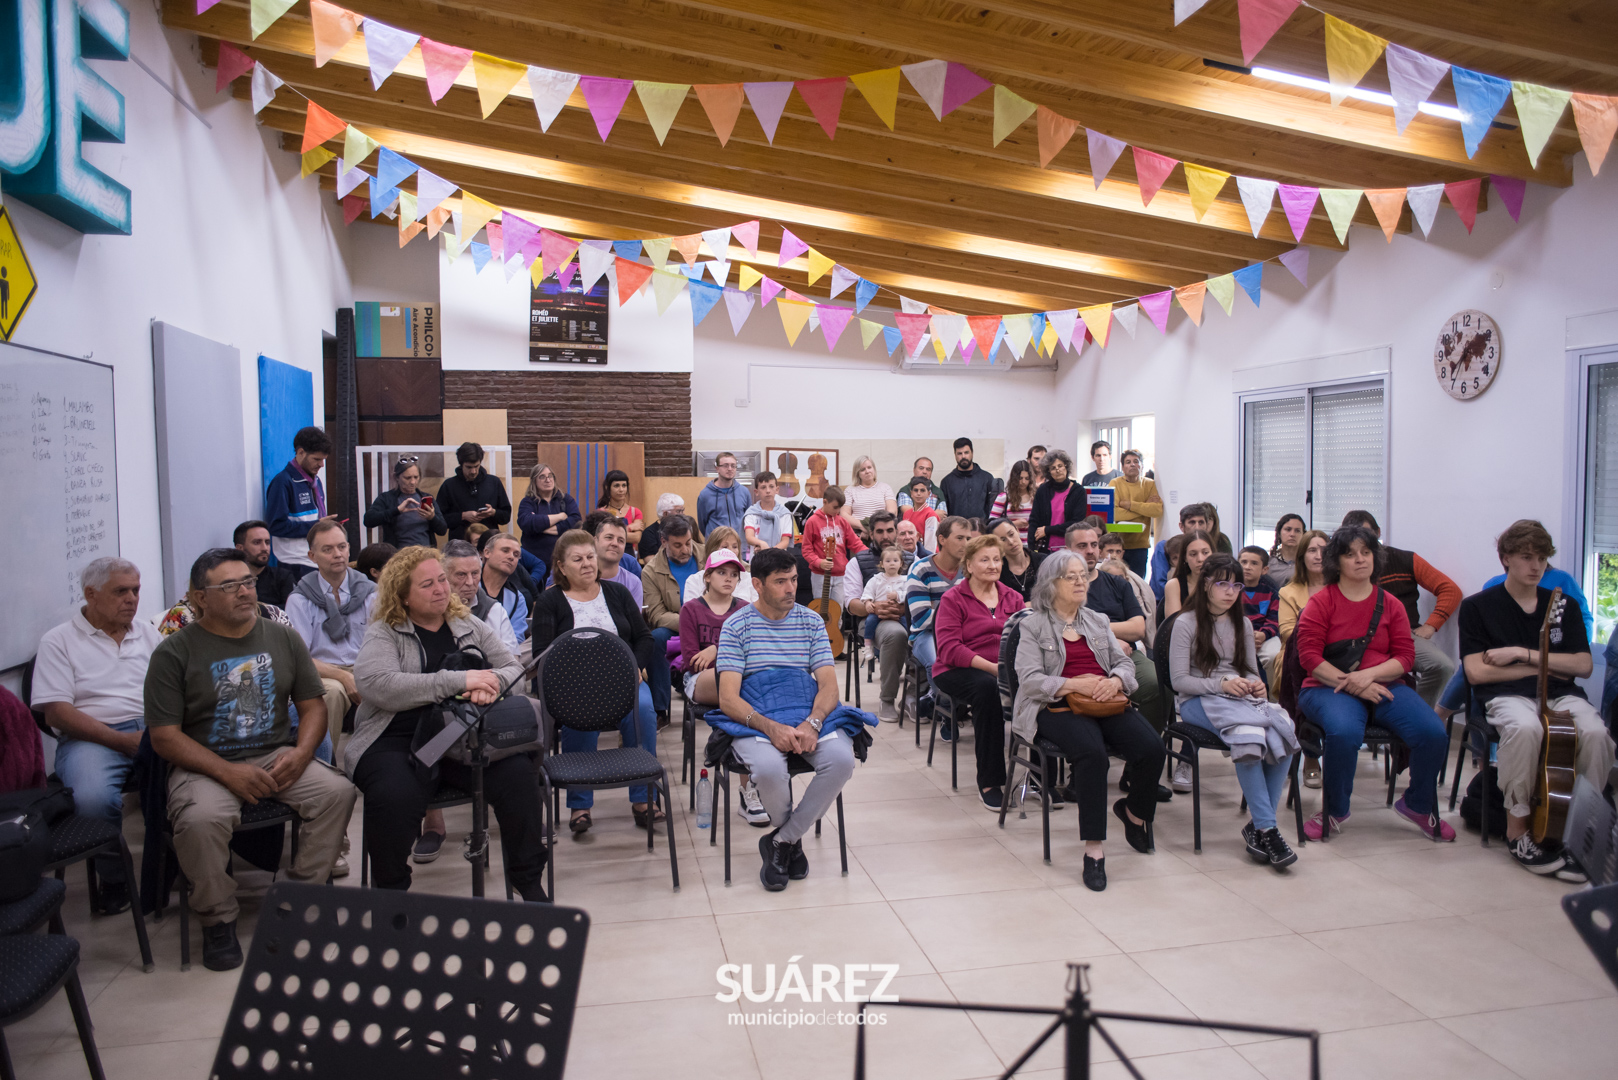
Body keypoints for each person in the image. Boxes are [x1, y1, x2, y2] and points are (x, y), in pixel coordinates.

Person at [145, 548, 356, 970]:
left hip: (274, 752)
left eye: (248, 582)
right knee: (200, 819)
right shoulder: (174, 653)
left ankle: (296, 900)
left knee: (338, 792)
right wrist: (227, 772)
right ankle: (218, 919)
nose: (245, 592)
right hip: (205, 763)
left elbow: (312, 706)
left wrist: (302, 753)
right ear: (200, 597)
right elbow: (164, 737)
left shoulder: (281, 637)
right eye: (229, 585)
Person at [1457, 520, 1613, 879]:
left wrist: (1522, 655)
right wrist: (1546, 667)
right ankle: (1518, 832)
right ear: (1506, 558)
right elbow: (1477, 673)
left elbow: (1583, 666)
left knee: (1595, 734)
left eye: (1542, 558)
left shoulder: (1563, 605)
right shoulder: (1477, 607)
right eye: (1527, 557)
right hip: (1506, 696)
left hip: (1562, 694)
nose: (1536, 566)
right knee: (1526, 729)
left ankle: (1584, 832)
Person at [1012, 551, 1163, 892]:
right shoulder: (1032, 625)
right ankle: (1094, 850)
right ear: (1051, 584)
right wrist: (1073, 684)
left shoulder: (1096, 620)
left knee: (1152, 748)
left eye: (1083, 575)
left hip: (1104, 699)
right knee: (1092, 755)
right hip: (1055, 706)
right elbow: (1030, 680)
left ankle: (1134, 813)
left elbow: (1123, 663)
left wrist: (1117, 681)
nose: (1081, 581)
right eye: (1072, 576)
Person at [1294, 525, 1454, 842]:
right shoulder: (1321, 602)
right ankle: (1334, 811)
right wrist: (1354, 683)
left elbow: (1405, 657)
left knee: (1433, 732)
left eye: (1366, 552)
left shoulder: (1391, 604)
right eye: (1350, 554)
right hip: (1326, 686)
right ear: (1335, 562)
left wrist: (1367, 676)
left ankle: (1417, 804)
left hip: (1382, 683)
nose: (1360, 559)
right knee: (1344, 732)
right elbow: (1310, 658)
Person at [714, 547, 859, 891]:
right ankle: (791, 843)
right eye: (780, 581)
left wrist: (813, 722)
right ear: (757, 585)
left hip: (805, 709)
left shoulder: (811, 622)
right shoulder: (737, 625)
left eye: (793, 579)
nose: (791, 588)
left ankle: (782, 840)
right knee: (767, 769)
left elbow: (829, 686)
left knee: (842, 760)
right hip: (757, 714)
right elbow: (728, 698)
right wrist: (769, 727)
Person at [32, 557, 163, 915]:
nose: (132, 599)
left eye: (136, 590)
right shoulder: (58, 641)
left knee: (190, 784)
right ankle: (116, 878)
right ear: (91, 594)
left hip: (152, 728)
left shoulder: (148, 634)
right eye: (121, 591)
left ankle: (172, 868)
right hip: (90, 736)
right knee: (92, 800)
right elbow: (57, 713)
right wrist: (122, 741)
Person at [1170, 554, 1300, 869]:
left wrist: (1256, 685)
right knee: (1249, 737)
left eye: (1236, 585)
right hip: (1198, 701)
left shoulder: (1242, 623)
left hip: (1238, 699)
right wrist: (1222, 684)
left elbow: (1251, 671)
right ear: (1205, 585)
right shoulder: (1186, 623)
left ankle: (1259, 826)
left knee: (1282, 729)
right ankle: (1268, 830)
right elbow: (1179, 681)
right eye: (1222, 584)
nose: (1230, 592)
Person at [530, 529, 662, 833]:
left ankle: (643, 799)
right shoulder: (550, 601)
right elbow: (541, 655)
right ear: (561, 566)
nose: (587, 563)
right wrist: (575, 680)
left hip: (624, 681)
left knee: (644, 710)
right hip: (574, 687)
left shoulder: (617, 593)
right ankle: (580, 805)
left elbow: (644, 638)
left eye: (590, 556)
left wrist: (634, 666)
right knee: (577, 716)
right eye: (577, 559)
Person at [932, 535, 1025, 810]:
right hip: (956, 669)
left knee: (1043, 685)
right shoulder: (953, 598)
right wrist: (996, 669)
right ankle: (990, 782)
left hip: (1004, 669)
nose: (993, 565)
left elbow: (1026, 640)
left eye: (997, 559)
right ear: (969, 565)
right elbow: (949, 649)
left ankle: (1043, 778)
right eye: (985, 560)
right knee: (987, 689)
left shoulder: (1013, 597)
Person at [1340, 511, 1461, 709]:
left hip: (1403, 634)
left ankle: (1418, 714)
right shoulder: (1341, 566)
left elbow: (1450, 590)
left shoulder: (1404, 559)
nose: (1361, 543)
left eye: (1366, 535)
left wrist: (1431, 625)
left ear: (1378, 533)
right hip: (1357, 638)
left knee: (1442, 665)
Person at [1064, 524, 1167, 758]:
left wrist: (1104, 634)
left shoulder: (1117, 583)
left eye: (1094, 545)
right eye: (1082, 546)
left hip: (1125, 653)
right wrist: (1110, 637)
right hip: (1078, 656)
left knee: (1157, 683)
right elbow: (1062, 626)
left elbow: (1138, 628)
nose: (1090, 551)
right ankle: (1092, 753)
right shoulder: (1061, 585)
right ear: (1067, 550)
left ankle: (1140, 757)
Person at [286, 519, 376, 772]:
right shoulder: (300, 599)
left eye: (342, 547)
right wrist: (342, 676)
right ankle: (323, 767)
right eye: (327, 549)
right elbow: (299, 657)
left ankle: (376, 766)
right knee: (331, 693)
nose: (337, 554)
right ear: (312, 556)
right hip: (322, 671)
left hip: (367, 665)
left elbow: (384, 642)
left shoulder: (370, 592)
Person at [1273, 529, 1330, 788]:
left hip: (1338, 657)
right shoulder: (1290, 591)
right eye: (1312, 550)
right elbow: (1287, 631)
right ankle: (1311, 756)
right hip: (1297, 656)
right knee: (1305, 683)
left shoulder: (1343, 588)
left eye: (1324, 550)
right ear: (1302, 557)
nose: (1318, 556)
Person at [642, 513, 701, 724]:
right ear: (663, 542)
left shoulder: (707, 555)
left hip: (714, 622)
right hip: (677, 627)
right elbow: (657, 615)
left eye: (688, 543)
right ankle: (660, 709)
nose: (685, 550)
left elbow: (742, 571)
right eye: (677, 545)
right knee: (656, 638)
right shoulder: (650, 571)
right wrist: (690, 622)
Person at [905, 516, 972, 675]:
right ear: (942, 539)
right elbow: (922, 618)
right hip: (927, 634)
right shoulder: (920, 569)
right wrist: (962, 615)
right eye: (960, 538)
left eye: (968, 539)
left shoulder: (970, 569)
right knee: (939, 663)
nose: (966, 544)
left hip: (966, 632)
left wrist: (939, 611)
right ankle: (938, 692)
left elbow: (980, 611)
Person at [263, 426, 331, 577]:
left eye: (323, 460)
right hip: (294, 563)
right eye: (317, 459)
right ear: (300, 452)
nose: (321, 465)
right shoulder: (283, 482)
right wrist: (317, 526)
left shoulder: (316, 482)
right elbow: (275, 526)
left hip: (316, 559)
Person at [443, 540, 518, 653]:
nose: (470, 582)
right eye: (461, 574)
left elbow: (512, 659)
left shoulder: (495, 611)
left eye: (475, 573)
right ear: (444, 575)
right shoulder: (432, 612)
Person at [799, 486, 865, 607]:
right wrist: (818, 562)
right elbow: (806, 549)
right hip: (820, 575)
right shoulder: (812, 521)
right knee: (821, 609)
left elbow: (855, 543)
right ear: (825, 502)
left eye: (840, 508)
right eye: (835, 507)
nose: (838, 511)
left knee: (838, 610)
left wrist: (870, 555)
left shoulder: (842, 522)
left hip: (841, 574)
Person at [362, 456, 447, 548]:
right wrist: (397, 510)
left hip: (425, 552)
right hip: (398, 553)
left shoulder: (426, 498)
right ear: (397, 477)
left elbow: (442, 530)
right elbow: (368, 520)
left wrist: (432, 517)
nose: (413, 482)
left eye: (416, 477)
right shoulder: (386, 498)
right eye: (407, 478)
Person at [438, 442, 512, 544]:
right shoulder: (449, 485)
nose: (473, 471)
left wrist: (493, 512)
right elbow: (440, 520)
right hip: (460, 545)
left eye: (476, 466)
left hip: (489, 543)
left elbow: (506, 516)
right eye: (469, 467)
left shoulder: (494, 482)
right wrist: (463, 516)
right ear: (461, 465)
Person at [517, 462, 579, 572]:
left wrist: (542, 527)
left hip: (563, 560)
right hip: (534, 563)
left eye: (550, 476)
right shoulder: (528, 502)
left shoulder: (565, 499)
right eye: (542, 477)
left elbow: (576, 521)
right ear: (534, 481)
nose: (548, 480)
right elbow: (527, 522)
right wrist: (560, 516)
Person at [1108, 450, 1161, 577]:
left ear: (1141, 466)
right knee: (1117, 581)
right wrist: (1144, 508)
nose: (1132, 464)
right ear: (1122, 467)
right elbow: (1114, 513)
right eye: (1128, 462)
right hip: (1118, 544)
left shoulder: (1150, 484)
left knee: (1138, 581)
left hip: (1140, 545)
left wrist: (1129, 505)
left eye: (1136, 461)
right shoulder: (1114, 483)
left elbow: (1157, 510)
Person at [1098, 531, 1155, 646]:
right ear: (1100, 552)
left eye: (1118, 551)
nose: (1114, 555)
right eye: (1110, 551)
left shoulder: (1133, 579)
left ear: (1123, 553)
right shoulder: (1094, 575)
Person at [1150, 503, 1214, 606]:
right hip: (1170, 601)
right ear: (1181, 526)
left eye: (1201, 522)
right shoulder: (1165, 547)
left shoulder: (1211, 548)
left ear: (1207, 525)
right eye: (1192, 522)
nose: (1197, 527)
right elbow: (1159, 586)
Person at [683, 527, 760, 604]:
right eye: (725, 547)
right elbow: (690, 609)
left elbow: (756, 609)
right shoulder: (694, 581)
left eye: (735, 547)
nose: (731, 551)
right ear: (712, 549)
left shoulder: (749, 579)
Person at [1027, 449, 1081, 554]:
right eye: (1053, 468)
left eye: (1060, 466)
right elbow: (1034, 520)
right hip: (1045, 549)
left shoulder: (1078, 491)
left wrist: (1047, 530)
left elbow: (1076, 523)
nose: (1057, 470)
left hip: (1070, 548)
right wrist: (1031, 549)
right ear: (1049, 472)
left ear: (1066, 466)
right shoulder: (1043, 490)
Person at [234, 519, 297, 609]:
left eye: (267, 542)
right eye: (257, 543)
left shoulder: (283, 577)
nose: (264, 548)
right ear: (240, 548)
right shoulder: (231, 580)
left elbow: (292, 609)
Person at [479, 532, 530, 643]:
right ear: (487, 552)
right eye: (505, 551)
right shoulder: (469, 585)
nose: (511, 557)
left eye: (516, 555)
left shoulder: (518, 599)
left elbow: (516, 639)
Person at [1238, 547, 1282, 665]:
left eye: (1254, 563)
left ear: (1264, 570)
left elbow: (1274, 620)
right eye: (1243, 562)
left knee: (1274, 656)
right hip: (1236, 635)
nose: (1247, 567)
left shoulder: (1272, 594)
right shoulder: (1232, 590)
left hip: (1263, 635)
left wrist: (1263, 634)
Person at [940, 437, 996, 523]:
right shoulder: (947, 482)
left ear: (972, 453)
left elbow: (992, 507)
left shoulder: (987, 478)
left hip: (981, 528)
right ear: (955, 455)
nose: (963, 456)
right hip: (956, 529)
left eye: (966, 452)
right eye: (959, 453)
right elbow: (945, 512)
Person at [1162, 529, 1215, 619]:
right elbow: (1174, 624)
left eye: (1205, 553)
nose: (1200, 559)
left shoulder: (1222, 583)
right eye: (1193, 554)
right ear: (1185, 558)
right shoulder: (1174, 585)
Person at [697, 451, 751, 536]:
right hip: (715, 543)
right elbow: (702, 524)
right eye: (726, 465)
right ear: (717, 468)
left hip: (739, 543)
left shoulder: (744, 492)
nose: (730, 469)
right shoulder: (705, 495)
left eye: (733, 466)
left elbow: (749, 520)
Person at [744, 470, 796, 555]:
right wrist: (761, 543)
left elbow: (785, 541)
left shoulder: (785, 514)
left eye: (771, 486)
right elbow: (749, 537)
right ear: (756, 492)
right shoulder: (751, 513)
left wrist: (768, 551)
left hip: (779, 557)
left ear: (777, 489)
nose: (768, 491)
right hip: (757, 558)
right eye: (763, 487)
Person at [992, 516, 1044, 601]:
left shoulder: (1044, 561)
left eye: (1011, 534)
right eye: (1003, 540)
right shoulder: (996, 572)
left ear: (1017, 530)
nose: (1011, 542)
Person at [991, 460, 1037, 547]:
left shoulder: (1035, 497)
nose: (1023, 482)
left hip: (1032, 544)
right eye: (1020, 478)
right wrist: (1013, 524)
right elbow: (991, 523)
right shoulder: (1004, 497)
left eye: (1027, 478)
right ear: (1014, 478)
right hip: (1010, 544)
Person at [596, 468, 644, 548]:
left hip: (629, 554)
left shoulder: (635, 512)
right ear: (608, 487)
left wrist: (611, 534)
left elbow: (636, 538)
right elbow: (602, 537)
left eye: (624, 485)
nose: (621, 490)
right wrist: (629, 528)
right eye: (616, 486)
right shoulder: (600, 513)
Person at [842, 455, 897, 521]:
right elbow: (844, 514)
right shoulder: (850, 490)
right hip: (857, 526)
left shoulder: (885, 488)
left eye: (869, 467)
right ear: (857, 473)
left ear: (874, 469)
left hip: (881, 526)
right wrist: (862, 525)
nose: (867, 471)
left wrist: (878, 526)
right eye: (862, 469)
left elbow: (892, 512)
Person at [639, 493, 689, 560]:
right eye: (678, 511)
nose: (682, 514)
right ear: (665, 514)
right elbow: (651, 562)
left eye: (682, 511)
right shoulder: (649, 534)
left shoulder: (685, 529)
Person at [901, 476, 942, 547]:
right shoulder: (906, 514)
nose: (919, 493)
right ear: (911, 493)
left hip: (925, 552)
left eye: (922, 490)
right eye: (916, 490)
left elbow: (931, 543)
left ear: (928, 494)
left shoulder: (930, 514)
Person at [1267, 514, 1306, 587]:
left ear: (1303, 535)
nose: (1292, 534)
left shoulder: (1308, 563)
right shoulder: (1268, 563)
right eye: (1288, 529)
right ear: (1279, 533)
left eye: (1297, 531)